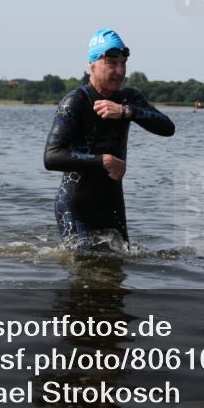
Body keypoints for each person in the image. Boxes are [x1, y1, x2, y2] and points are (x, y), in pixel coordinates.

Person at [44, 29, 175, 249]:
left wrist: (127, 112)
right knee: (84, 266)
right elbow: (51, 157)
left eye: (123, 64)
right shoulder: (75, 102)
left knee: (121, 264)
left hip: (112, 203)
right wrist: (103, 161)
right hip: (76, 205)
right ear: (92, 64)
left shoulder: (129, 98)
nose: (120, 71)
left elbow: (167, 128)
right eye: (112, 63)